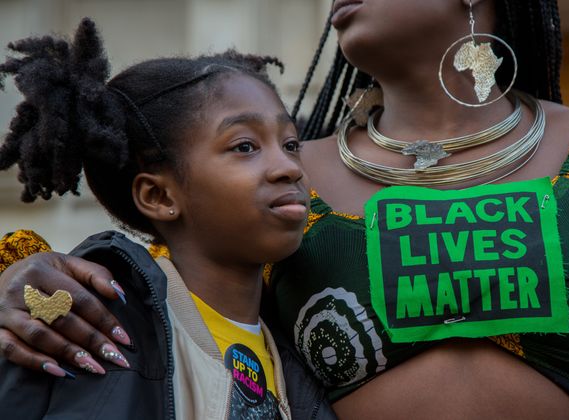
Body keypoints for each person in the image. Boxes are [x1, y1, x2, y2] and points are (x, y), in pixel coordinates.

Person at [1, 0, 569, 418]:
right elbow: (171, 294)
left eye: (279, 142)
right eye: (248, 145)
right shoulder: (285, 186)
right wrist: (26, 281)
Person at [0, 17, 336, 420]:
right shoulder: (80, 328)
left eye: (292, 144)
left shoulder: (309, 355)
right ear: (158, 195)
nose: (289, 168)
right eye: (245, 145)